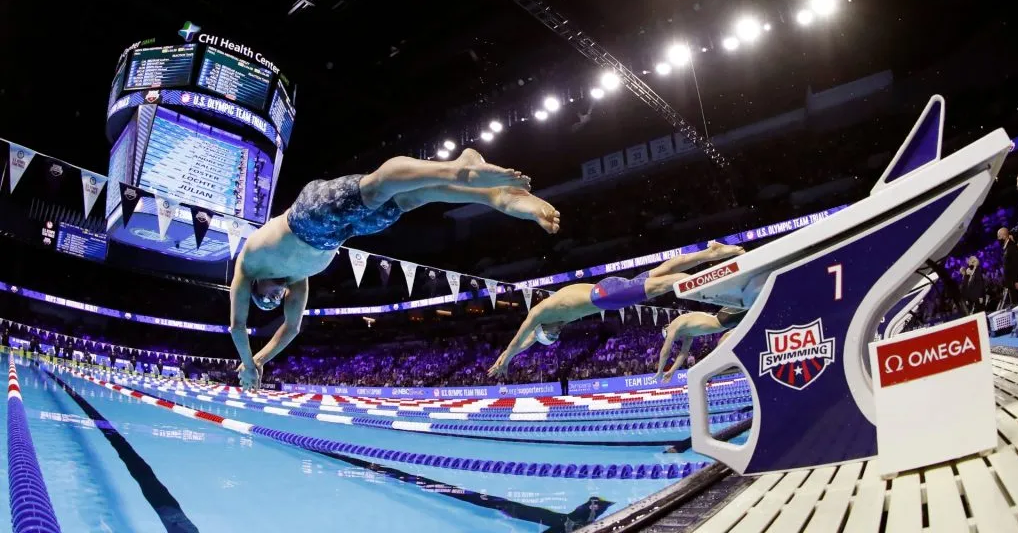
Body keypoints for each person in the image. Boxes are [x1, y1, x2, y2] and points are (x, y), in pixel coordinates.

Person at [232, 149, 561, 389]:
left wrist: (247, 363)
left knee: (377, 187)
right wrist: (259, 360)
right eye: (275, 303)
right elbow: (291, 328)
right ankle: (494, 197)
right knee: (410, 199)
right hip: (347, 230)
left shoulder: (248, 265)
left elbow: (237, 325)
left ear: (256, 286)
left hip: (308, 214)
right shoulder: (299, 280)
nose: (276, 299)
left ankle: (458, 169)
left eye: (267, 299)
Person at [487, 241, 745, 377]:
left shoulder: (541, 313)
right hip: (606, 288)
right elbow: (529, 342)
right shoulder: (554, 319)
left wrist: (507, 358)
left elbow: (522, 336)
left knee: (663, 284)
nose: (558, 334)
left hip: (607, 297)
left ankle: (720, 282)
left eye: (552, 335)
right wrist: (506, 357)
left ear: (546, 328)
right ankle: (711, 253)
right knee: (662, 271)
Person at [653, 309, 747, 383]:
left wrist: (660, 371)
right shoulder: (688, 334)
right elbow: (683, 353)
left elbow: (665, 350)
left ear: (667, 330)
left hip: (725, 318)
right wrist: (671, 371)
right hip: (725, 322)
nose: (674, 340)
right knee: (723, 341)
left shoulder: (674, 325)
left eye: (671, 338)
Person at [998, 227, 1018, 306]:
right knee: (1015, 303)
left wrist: (1017, 280)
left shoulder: (1011, 246)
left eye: (999, 236)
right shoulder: (1006, 248)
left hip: (1015, 282)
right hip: (1011, 283)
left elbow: (1017, 264)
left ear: (1004, 236)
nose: (998, 238)